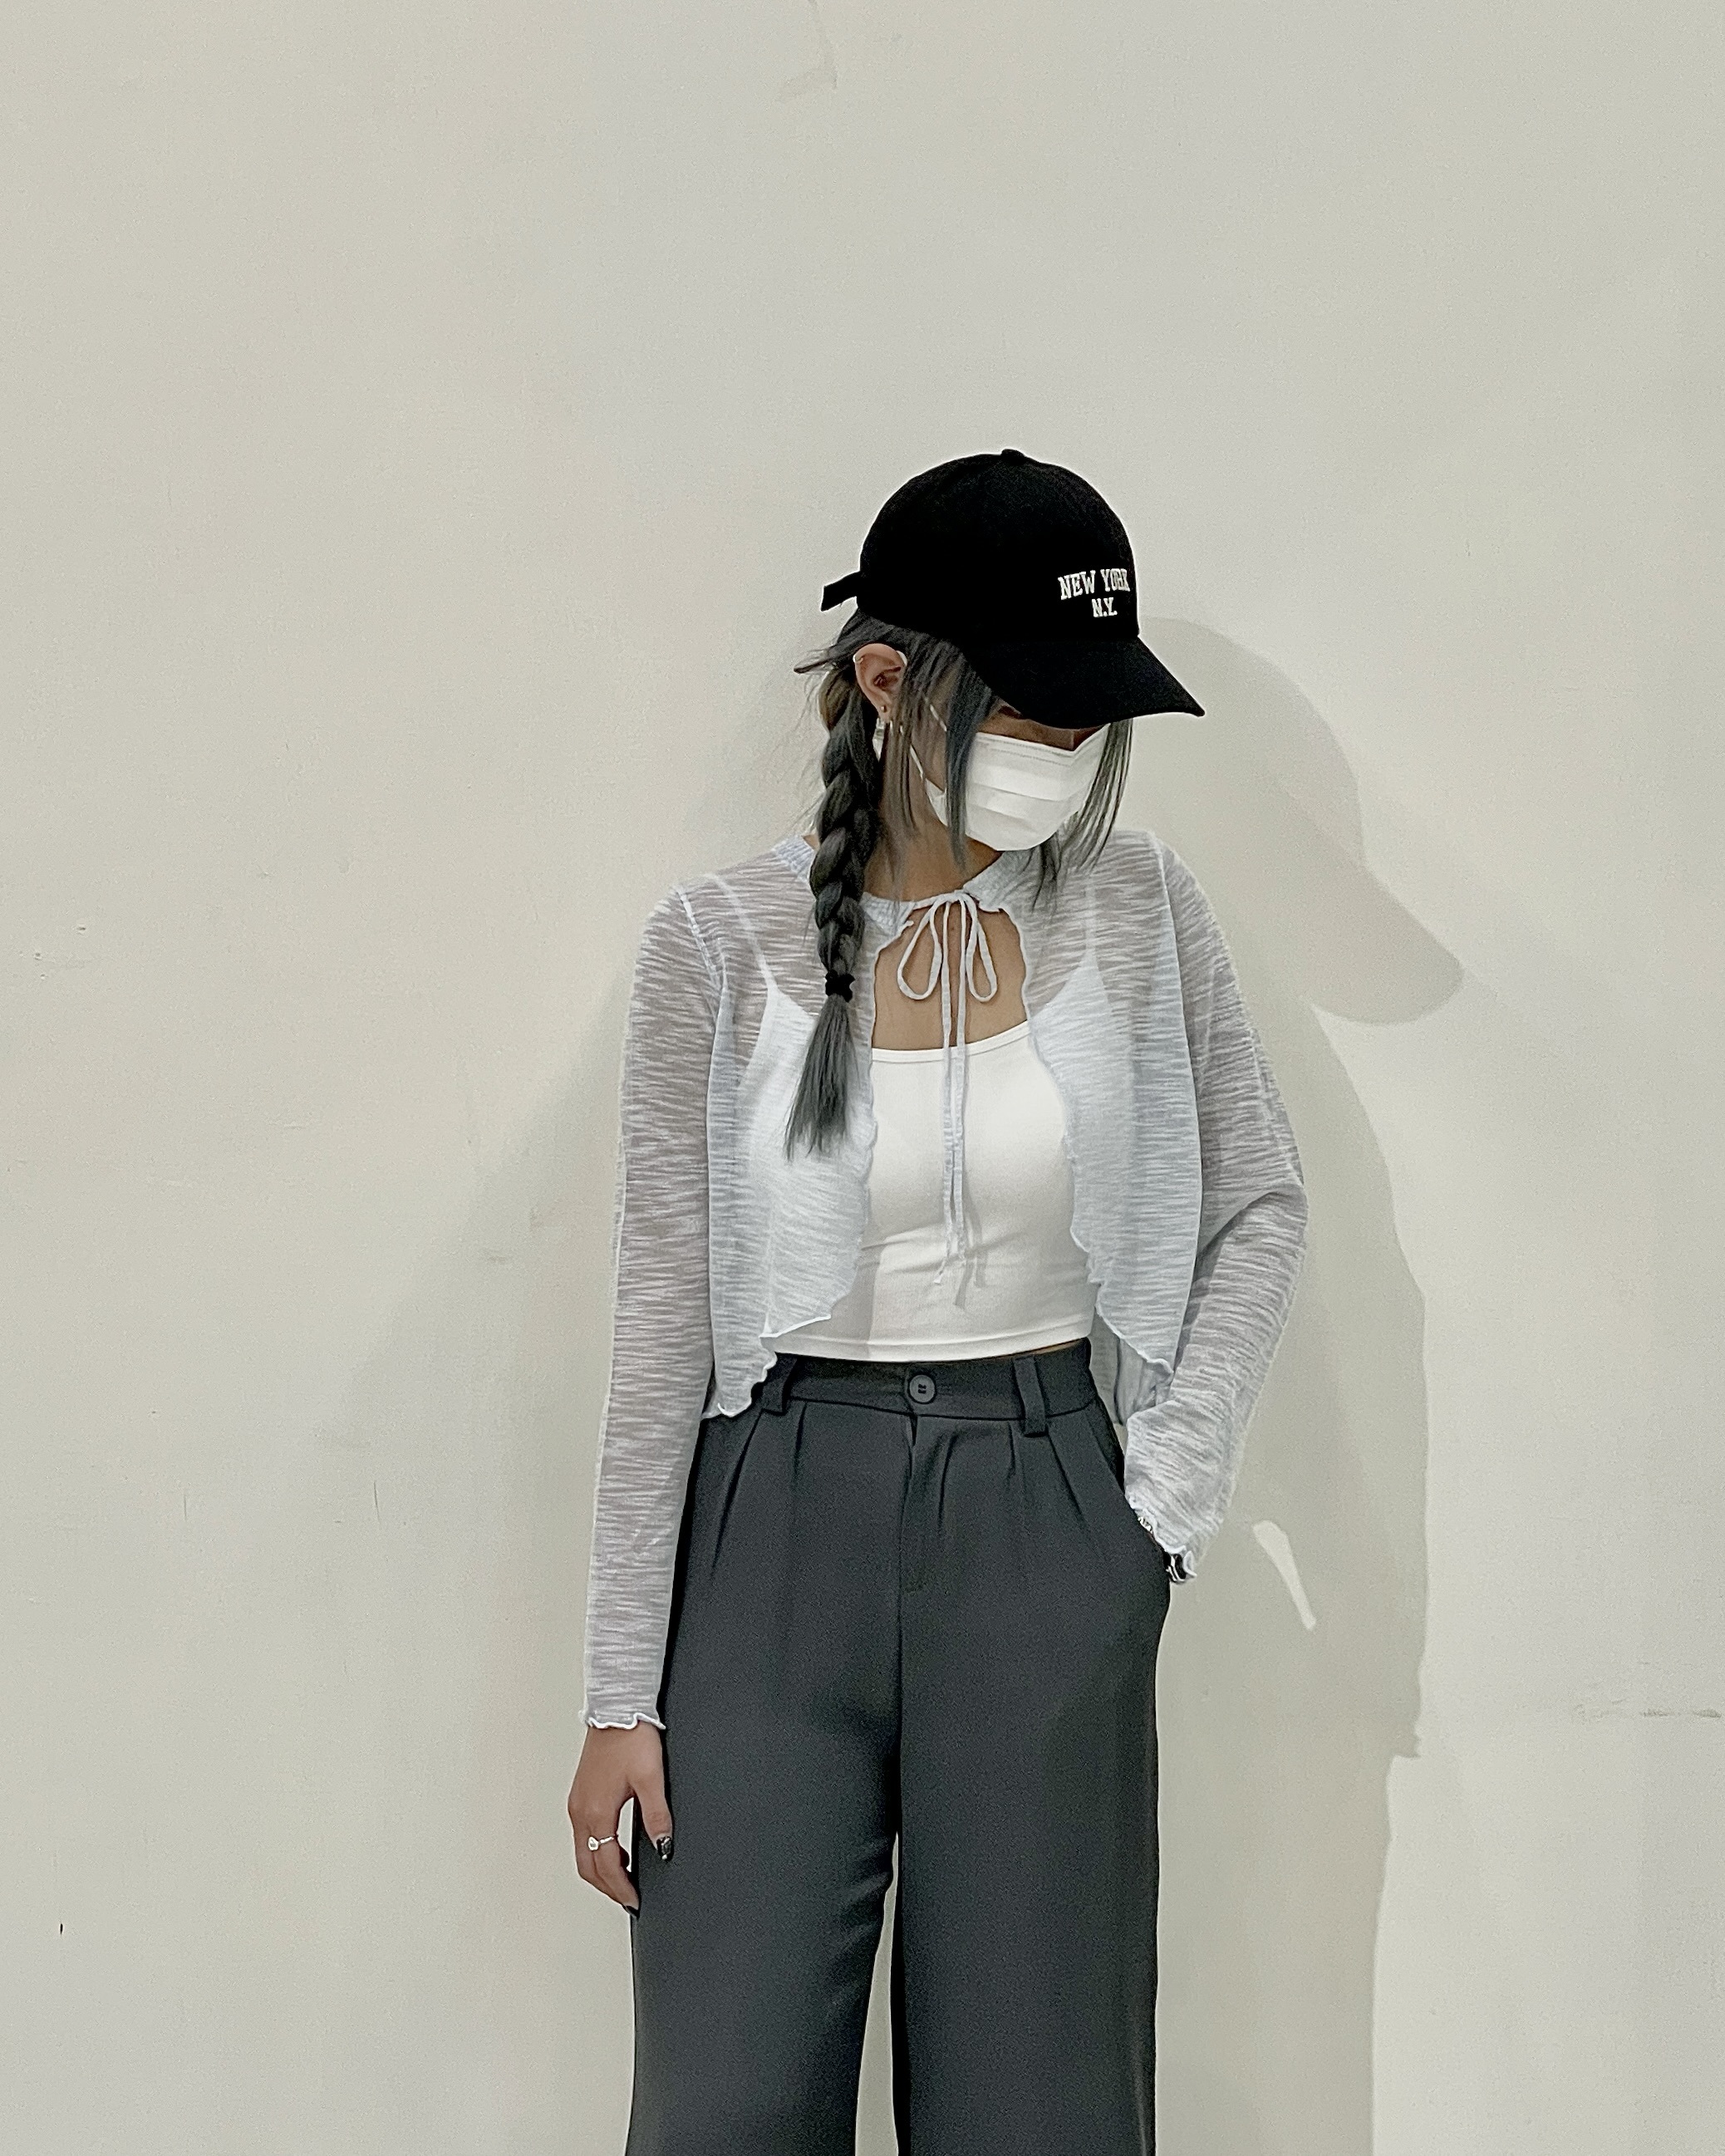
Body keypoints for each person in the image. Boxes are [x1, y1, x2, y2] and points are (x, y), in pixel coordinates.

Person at [567, 448, 1310, 2155]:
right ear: (893, 684)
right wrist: (618, 1690)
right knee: (726, 2100)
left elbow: (1260, 1206)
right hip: (767, 1531)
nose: (1071, 756)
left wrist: (1157, 1502)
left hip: (1047, 1511)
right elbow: (661, 1323)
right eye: (1038, 717)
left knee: (1041, 2106)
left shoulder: (1140, 913)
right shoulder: (716, 946)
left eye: (1090, 725)